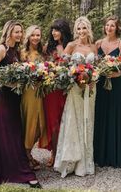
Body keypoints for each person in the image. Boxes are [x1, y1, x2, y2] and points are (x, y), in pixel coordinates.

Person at [0, 20, 41, 188]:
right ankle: (22, 171)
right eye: (16, 32)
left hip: (15, 97)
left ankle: (7, 164)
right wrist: (7, 83)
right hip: (4, 96)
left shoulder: (15, 50)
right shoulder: (2, 49)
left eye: (20, 32)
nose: (19, 35)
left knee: (10, 131)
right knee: (10, 131)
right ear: (9, 32)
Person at [54, 16, 97, 177]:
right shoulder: (71, 46)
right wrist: (75, 77)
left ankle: (85, 163)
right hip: (75, 89)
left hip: (90, 89)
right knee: (74, 121)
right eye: (78, 29)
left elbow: (97, 67)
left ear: (88, 29)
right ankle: (72, 161)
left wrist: (93, 79)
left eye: (84, 28)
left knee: (88, 121)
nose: (81, 31)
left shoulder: (94, 47)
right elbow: (62, 67)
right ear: (75, 31)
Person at [94, 15, 121, 168]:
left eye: (112, 26)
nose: (109, 28)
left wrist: (118, 73)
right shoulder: (98, 43)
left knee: (115, 117)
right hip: (101, 84)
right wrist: (100, 71)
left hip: (116, 85)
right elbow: (94, 63)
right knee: (101, 116)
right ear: (104, 27)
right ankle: (100, 155)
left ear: (117, 28)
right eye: (107, 25)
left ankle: (116, 155)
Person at [43, 19, 72, 167]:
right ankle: (54, 153)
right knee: (53, 121)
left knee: (65, 121)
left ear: (64, 31)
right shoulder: (48, 47)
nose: (54, 33)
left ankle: (64, 152)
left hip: (67, 89)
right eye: (52, 30)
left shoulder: (70, 46)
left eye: (57, 30)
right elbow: (42, 66)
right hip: (52, 90)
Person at [20, 25, 48, 171]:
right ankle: (26, 156)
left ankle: (28, 153)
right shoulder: (23, 53)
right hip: (28, 92)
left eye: (38, 35)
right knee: (30, 122)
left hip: (40, 92)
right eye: (33, 35)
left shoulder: (41, 54)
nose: (36, 38)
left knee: (40, 125)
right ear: (28, 37)